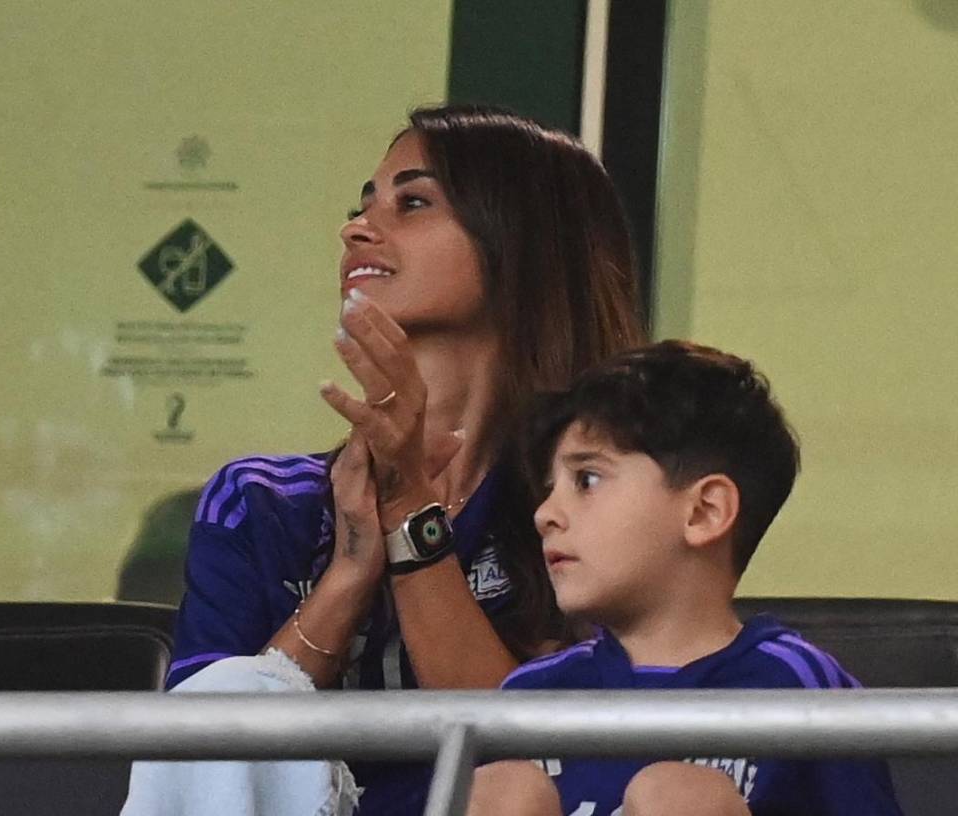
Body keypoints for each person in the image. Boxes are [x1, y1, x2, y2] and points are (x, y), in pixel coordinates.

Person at [120, 104, 644, 816]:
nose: (359, 227)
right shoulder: (262, 500)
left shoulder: (591, 500)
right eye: (362, 205)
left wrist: (410, 516)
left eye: (414, 202)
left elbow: (541, 762)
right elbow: (196, 771)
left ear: (519, 243)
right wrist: (348, 573)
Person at [467, 340, 903, 816]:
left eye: (587, 480)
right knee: (503, 788)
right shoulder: (533, 692)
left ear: (704, 511)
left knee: (676, 797)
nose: (545, 514)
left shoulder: (795, 686)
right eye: (550, 489)